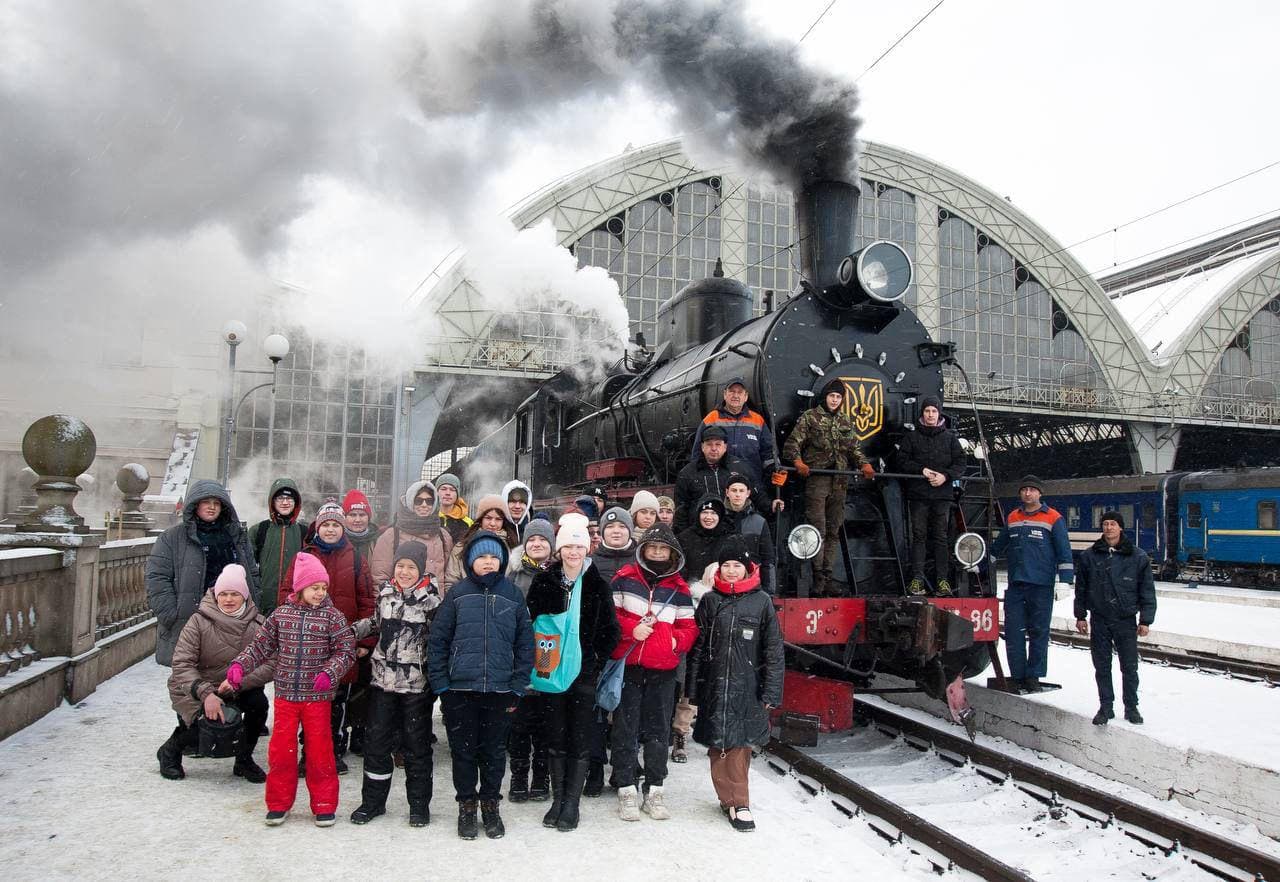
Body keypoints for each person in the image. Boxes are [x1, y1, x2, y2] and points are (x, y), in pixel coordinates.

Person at [229, 552, 357, 827]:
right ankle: (278, 803)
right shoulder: (280, 616)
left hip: (317, 698)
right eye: (314, 588)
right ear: (300, 588)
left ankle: (324, 803)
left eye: (324, 588)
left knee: (320, 752)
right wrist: (240, 666)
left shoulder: (332, 617)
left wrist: (329, 672)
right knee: (281, 752)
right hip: (286, 696)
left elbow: (346, 651)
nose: (320, 593)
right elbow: (260, 647)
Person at [428, 530, 534, 840]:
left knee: (493, 752)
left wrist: (517, 685)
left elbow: (525, 644)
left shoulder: (512, 595)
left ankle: (490, 805)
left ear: (501, 561)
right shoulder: (458, 594)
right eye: (482, 557)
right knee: (463, 753)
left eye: (493, 557)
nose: (488, 562)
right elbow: (439, 641)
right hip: (460, 690)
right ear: (471, 561)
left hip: (500, 691)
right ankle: (467, 806)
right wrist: (442, 685)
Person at [526, 513, 621, 832]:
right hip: (551, 671)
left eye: (578, 547)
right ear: (560, 548)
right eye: (567, 546)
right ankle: (557, 799)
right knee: (555, 736)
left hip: (583, 674)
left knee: (579, 737)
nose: (573, 553)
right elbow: (533, 624)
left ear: (586, 550)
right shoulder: (544, 581)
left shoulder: (597, 585)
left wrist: (593, 659)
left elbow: (611, 630)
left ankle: (572, 803)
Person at [687, 536, 784, 832]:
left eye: (736, 566)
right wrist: (692, 690)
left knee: (740, 745)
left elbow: (773, 650)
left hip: (747, 685)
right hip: (715, 685)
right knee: (718, 746)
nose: (731, 571)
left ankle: (740, 802)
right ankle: (726, 798)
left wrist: (771, 690)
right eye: (726, 565)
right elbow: (698, 648)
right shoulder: (710, 601)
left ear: (747, 568)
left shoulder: (762, 602)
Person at [348, 541, 441, 827]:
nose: (404, 571)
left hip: (415, 687)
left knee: (416, 747)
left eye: (411, 567)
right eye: (400, 565)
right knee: (376, 744)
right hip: (382, 684)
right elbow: (375, 623)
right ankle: (373, 802)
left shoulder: (432, 601)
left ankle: (418, 806)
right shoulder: (386, 593)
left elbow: (439, 642)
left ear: (421, 570)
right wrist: (348, 632)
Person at [610, 523, 698, 822]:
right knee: (626, 729)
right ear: (643, 549)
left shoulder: (679, 589)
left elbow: (689, 627)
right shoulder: (624, 579)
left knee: (658, 732)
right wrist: (629, 629)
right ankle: (626, 788)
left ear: (672, 553)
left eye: (663, 548)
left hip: (662, 670)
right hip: (631, 666)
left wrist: (673, 642)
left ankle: (655, 787)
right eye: (652, 547)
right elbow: (612, 615)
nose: (658, 552)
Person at [281, 500, 375, 773]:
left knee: (337, 701)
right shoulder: (303, 557)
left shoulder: (356, 558)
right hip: (306, 643)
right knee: (309, 701)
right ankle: (308, 751)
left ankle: (333, 748)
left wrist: (363, 641)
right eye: (326, 525)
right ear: (317, 527)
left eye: (336, 524)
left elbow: (367, 601)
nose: (331, 529)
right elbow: (286, 594)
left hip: (343, 644)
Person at [159, 564, 272, 783]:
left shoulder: (259, 624)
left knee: (258, 706)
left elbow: (271, 662)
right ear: (215, 595)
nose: (229, 599)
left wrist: (238, 682)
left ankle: (244, 759)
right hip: (196, 686)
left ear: (245, 596)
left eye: (235, 594)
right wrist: (207, 694)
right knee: (205, 724)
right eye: (224, 594)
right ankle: (170, 752)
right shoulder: (198, 621)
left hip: (237, 685)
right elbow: (182, 664)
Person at [147, 479, 259, 667]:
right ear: (195, 505)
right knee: (190, 682)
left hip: (233, 621)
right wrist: (170, 614)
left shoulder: (236, 536)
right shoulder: (172, 537)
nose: (211, 507)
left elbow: (252, 573)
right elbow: (157, 578)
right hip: (190, 622)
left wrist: (255, 604)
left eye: (216, 503)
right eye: (206, 502)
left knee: (231, 681)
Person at [781, 378, 876, 596]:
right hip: (818, 479)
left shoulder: (844, 420)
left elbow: (853, 448)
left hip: (840, 480)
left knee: (833, 530)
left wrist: (864, 463)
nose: (834, 400)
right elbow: (792, 443)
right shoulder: (810, 417)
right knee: (818, 529)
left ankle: (827, 577)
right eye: (832, 396)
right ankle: (816, 578)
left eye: (838, 397)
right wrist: (798, 462)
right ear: (825, 397)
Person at [991, 475, 1074, 693]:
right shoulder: (1012, 517)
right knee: (1014, 632)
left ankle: (1034, 676)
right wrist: (976, 563)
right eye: (1024, 489)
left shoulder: (1054, 518)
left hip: (1042, 586)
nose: (1028, 493)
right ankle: (1018, 676)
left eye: (1032, 490)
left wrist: (1065, 581)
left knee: (1039, 632)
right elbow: (997, 548)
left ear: (1040, 493)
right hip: (1017, 585)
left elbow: (1064, 551)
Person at [1074, 511, 1157, 725]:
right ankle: (1106, 707)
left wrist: (1145, 620)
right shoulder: (1089, 556)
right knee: (1102, 666)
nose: (1109, 528)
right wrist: (1080, 615)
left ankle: (1131, 707)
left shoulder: (1138, 557)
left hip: (1125, 619)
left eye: (1113, 524)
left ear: (1121, 527)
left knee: (1129, 666)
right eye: (1105, 524)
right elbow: (1081, 589)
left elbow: (1147, 590)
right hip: (1099, 618)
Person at [504, 517, 556, 803]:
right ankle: (519, 775)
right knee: (520, 722)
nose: (537, 544)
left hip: (548, 652)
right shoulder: (513, 574)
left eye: (542, 540)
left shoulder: (558, 574)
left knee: (545, 720)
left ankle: (541, 775)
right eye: (532, 539)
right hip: (520, 652)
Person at [894, 396, 965, 597]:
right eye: (927, 411)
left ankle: (942, 580)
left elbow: (960, 463)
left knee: (941, 538)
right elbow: (901, 460)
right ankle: (917, 579)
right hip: (919, 495)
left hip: (942, 494)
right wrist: (922, 470)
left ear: (939, 414)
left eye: (934, 411)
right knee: (919, 536)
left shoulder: (950, 438)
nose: (931, 415)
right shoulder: (912, 437)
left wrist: (945, 476)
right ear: (922, 414)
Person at [690, 376, 781, 490]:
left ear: (746, 396)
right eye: (732, 391)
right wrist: (697, 478)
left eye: (739, 392)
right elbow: (698, 452)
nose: (735, 395)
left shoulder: (757, 420)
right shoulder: (711, 419)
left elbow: (768, 451)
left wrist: (774, 469)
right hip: (719, 484)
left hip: (751, 484)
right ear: (725, 394)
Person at [674, 426, 769, 532]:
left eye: (718, 444)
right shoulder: (687, 473)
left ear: (725, 447)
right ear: (702, 447)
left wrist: (771, 506)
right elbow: (680, 511)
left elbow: (757, 494)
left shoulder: (740, 467)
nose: (714, 448)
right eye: (709, 444)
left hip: (737, 528)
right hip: (702, 532)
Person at [371, 480, 453, 587]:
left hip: (438, 602)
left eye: (429, 501)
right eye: (418, 501)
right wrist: (386, 602)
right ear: (410, 502)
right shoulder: (391, 536)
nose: (424, 505)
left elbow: (448, 577)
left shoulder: (444, 536)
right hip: (401, 602)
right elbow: (380, 578)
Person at [249, 478, 304, 617]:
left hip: (295, 607)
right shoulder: (259, 530)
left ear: (296, 503)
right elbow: (248, 568)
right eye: (280, 498)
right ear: (272, 501)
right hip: (264, 606)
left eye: (289, 498)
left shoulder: (304, 532)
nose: (285, 502)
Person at [444, 495, 521, 592]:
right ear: (481, 519)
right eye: (488, 518)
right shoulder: (463, 546)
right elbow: (451, 582)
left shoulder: (512, 546)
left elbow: (517, 583)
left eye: (498, 519)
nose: (493, 523)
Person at [722, 472, 777, 596]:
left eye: (741, 491)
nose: (737, 494)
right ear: (727, 493)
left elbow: (768, 560)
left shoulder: (759, 522)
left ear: (748, 493)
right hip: (722, 585)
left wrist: (769, 593)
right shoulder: (717, 519)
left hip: (752, 586)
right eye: (734, 490)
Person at [677, 495, 729, 592]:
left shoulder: (729, 538)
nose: (709, 517)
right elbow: (680, 569)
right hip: (691, 592)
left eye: (713, 513)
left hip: (722, 593)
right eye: (705, 512)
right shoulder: (685, 537)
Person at [594, 507, 637, 583]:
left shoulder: (641, 560)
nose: (616, 531)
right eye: (610, 526)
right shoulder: (590, 562)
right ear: (602, 532)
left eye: (622, 526)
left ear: (630, 531)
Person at [342, 489, 381, 571]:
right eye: (352, 515)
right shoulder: (337, 541)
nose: (357, 520)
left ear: (368, 518)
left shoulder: (379, 541)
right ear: (344, 518)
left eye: (362, 515)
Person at [435, 473, 473, 543]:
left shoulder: (468, 523)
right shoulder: (430, 518)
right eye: (443, 489)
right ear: (437, 492)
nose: (448, 493)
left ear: (457, 494)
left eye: (452, 490)